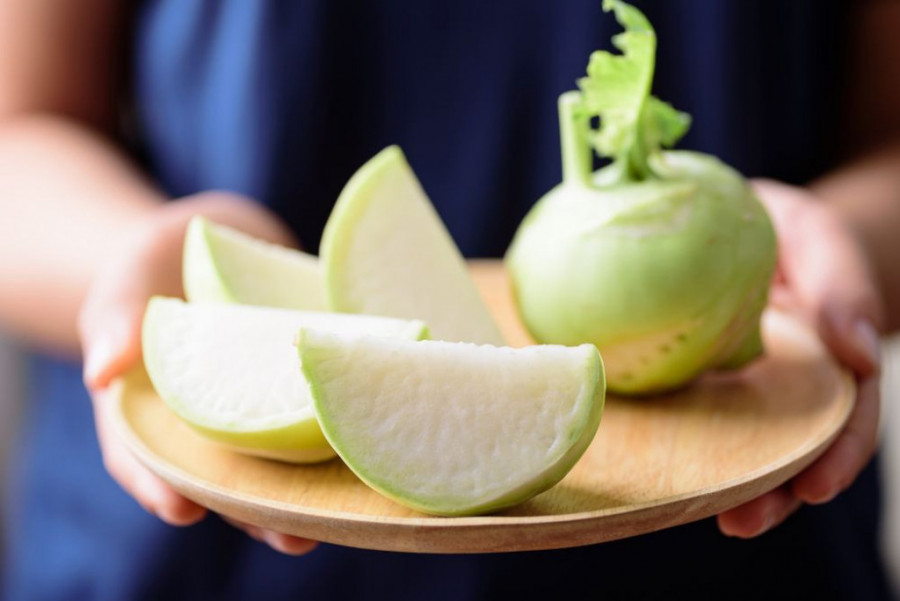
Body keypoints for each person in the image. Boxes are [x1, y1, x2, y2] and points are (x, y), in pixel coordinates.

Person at [1, 0, 898, 598]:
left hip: (740, 542)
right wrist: (126, 258)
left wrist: (844, 244)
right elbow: (21, 130)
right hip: (180, 564)